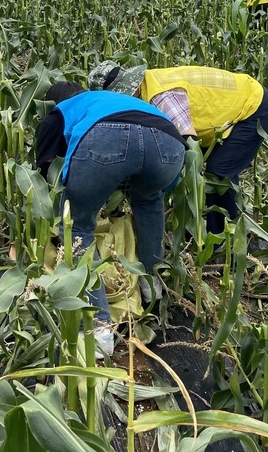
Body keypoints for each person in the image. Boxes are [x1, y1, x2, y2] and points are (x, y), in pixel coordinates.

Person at [34, 81, 186, 357]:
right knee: (149, 202)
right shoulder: (111, 99)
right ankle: (151, 286)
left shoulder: (61, 110)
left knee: (78, 225)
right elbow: (158, 175)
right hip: (169, 139)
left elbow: (43, 170)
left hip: (108, 136)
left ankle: (100, 330)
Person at [88, 62, 268, 235]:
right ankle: (196, 228)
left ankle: (227, 236)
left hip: (252, 107)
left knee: (219, 173)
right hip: (223, 113)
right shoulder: (145, 88)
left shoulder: (162, 96)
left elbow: (190, 143)